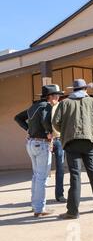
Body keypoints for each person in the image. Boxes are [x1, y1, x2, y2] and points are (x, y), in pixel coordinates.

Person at [52, 79, 93, 220]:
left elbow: (55, 123)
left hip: (71, 143)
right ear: (85, 89)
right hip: (89, 141)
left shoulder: (64, 103)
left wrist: (65, 130)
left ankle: (73, 211)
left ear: (73, 90)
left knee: (75, 176)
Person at [14, 85, 62, 217]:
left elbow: (17, 117)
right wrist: (49, 132)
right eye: (57, 95)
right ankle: (39, 209)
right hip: (41, 144)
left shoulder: (33, 107)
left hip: (31, 143)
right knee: (42, 177)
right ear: (50, 97)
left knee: (36, 176)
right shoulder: (46, 107)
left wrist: (28, 129)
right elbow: (45, 121)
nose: (58, 98)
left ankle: (35, 205)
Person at [49, 86, 66, 203]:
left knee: (60, 168)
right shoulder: (43, 107)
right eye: (55, 95)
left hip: (59, 140)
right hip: (46, 141)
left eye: (59, 95)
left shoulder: (62, 106)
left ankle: (59, 194)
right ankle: (40, 198)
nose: (57, 97)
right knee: (43, 170)